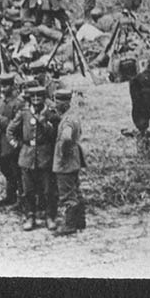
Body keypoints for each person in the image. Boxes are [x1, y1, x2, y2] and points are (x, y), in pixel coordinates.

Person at [12, 84, 54, 231]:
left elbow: (53, 134)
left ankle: (49, 216)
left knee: (48, 189)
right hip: (27, 155)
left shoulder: (49, 113)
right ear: (29, 99)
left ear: (43, 98)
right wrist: (18, 145)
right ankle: (30, 216)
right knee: (28, 189)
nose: (36, 100)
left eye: (39, 97)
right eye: (33, 97)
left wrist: (44, 122)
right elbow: (10, 130)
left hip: (44, 155)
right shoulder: (24, 113)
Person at [51, 88, 87, 236]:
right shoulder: (74, 116)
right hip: (74, 160)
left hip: (65, 162)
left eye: (57, 102)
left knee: (67, 194)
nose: (55, 105)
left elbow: (66, 137)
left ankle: (70, 225)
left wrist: (64, 152)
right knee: (76, 190)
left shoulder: (67, 120)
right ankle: (80, 221)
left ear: (64, 103)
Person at [0, 74, 23, 209]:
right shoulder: (2, 103)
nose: (3, 89)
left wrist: (0, 119)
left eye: (6, 86)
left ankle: (21, 199)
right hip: (2, 144)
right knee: (5, 170)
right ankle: (10, 196)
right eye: (2, 86)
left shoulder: (18, 103)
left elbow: (16, 125)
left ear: (13, 86)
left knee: (16, 172)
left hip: (12, 144)